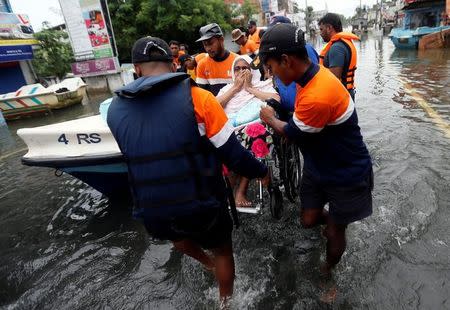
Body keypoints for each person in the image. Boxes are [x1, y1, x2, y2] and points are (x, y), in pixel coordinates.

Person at [107, 36, 269, 306]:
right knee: (223, 251)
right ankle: (226, 302)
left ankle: (206, 264)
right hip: (201, 204)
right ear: (173, 64)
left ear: (136, 69)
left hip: (151, 210)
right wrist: (262, 171)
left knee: (178, 238)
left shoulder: (115, 109)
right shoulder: (200, 99)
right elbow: (233, 154)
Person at [258, 24, 373, 276]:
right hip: (318, 163)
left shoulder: (317, 93)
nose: (271, 74)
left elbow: (291, 132)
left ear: (286, 60)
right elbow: (301, 123)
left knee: (333, 233)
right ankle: (336, 220)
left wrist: (270, 119)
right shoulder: (308, 75)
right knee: (308, 219)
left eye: (271, 67)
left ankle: (327, 270)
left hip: (346, 171)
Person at [217, 55, 280, 207]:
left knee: (254, 132)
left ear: (251, 70)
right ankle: (227, 188)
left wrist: (250, 88)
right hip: (230, 129)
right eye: (237, 68)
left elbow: (276, 99)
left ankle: (241, 190)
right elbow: (213, 105)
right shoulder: (227, 89)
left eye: (245, 68)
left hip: (253, 129)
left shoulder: (261, 85)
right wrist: (235, 88)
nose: (241, 71)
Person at [318, 13, 359, 101]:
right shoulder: (342, 43)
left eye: (321, 29)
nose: (320, 33)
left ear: (329, 28)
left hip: (341, 96)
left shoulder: (337, 48)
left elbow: (334, 78)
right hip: (347, 92)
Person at [196, 23, 238, 96]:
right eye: (205, 44)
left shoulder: (237, 61)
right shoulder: (202, 65)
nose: (208, 48)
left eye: (211, 43)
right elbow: (202, 95)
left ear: (221, 39)